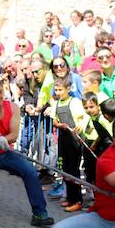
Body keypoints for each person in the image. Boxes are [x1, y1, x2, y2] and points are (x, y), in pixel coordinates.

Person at [0, 78, 54, 228]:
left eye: (0, 92)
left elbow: (14, 134)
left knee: (29, 171)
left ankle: (39, 213)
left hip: (4, 151)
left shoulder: (14, 107)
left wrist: (3, 140)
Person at [44, 78, 88, 212]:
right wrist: (58, 125)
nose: (58, 93)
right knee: (65, 170)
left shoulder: (74, 102)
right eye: (56, 90)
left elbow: (84, 117)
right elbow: (54, 120)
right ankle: (69, 197)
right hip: (63, 139)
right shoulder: (56, 103)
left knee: (74, 171)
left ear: (68, 89)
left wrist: (78, 128)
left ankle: (78, 200)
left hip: (74, 139)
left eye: (60, 90)